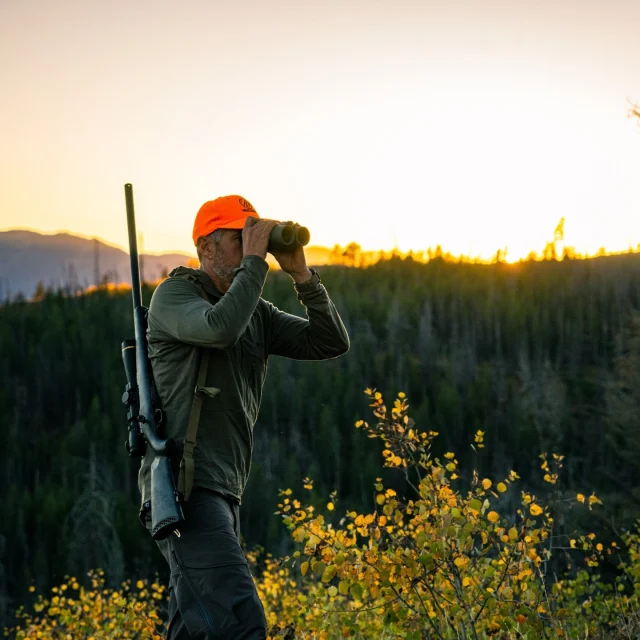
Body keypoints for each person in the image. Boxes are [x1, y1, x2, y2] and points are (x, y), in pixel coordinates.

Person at [138, 195, 350, 639]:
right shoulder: (174, 296)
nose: (248, 245)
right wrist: (256, 262)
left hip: (223, 490)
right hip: (183, 491)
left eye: (252, 235)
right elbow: (218, 327)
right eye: (238, 237)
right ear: (205, 245)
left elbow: (329, 342)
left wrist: (302, 275)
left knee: (194, 628)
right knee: (240, 621)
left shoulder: (256, 314)